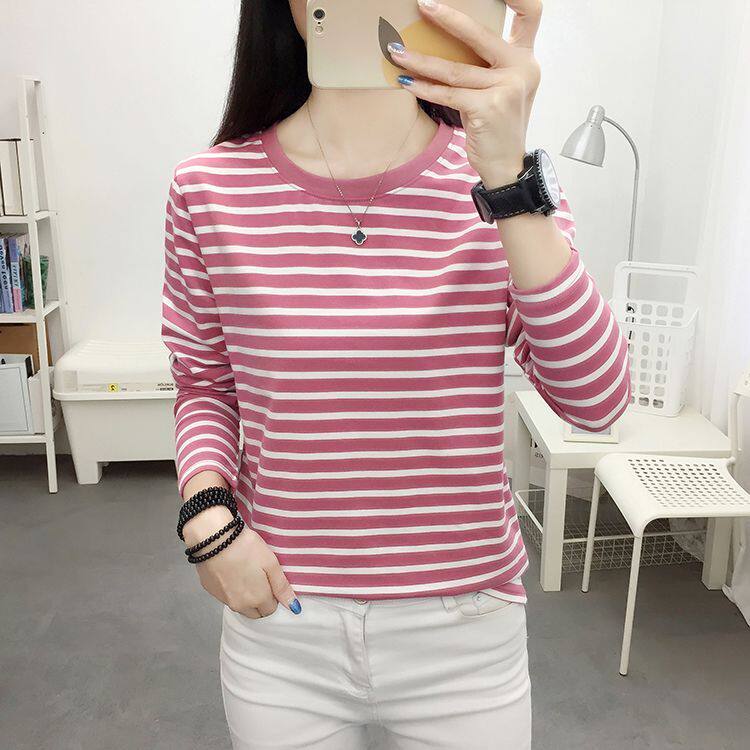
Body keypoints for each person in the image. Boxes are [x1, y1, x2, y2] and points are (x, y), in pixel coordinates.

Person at [161, 0, 632, 747]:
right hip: (283, 615)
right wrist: (208, 516)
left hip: (465, 628)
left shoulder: (503, 185)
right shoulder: (208, 189)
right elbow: (205, 384)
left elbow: (596, 400)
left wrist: (508, 178)